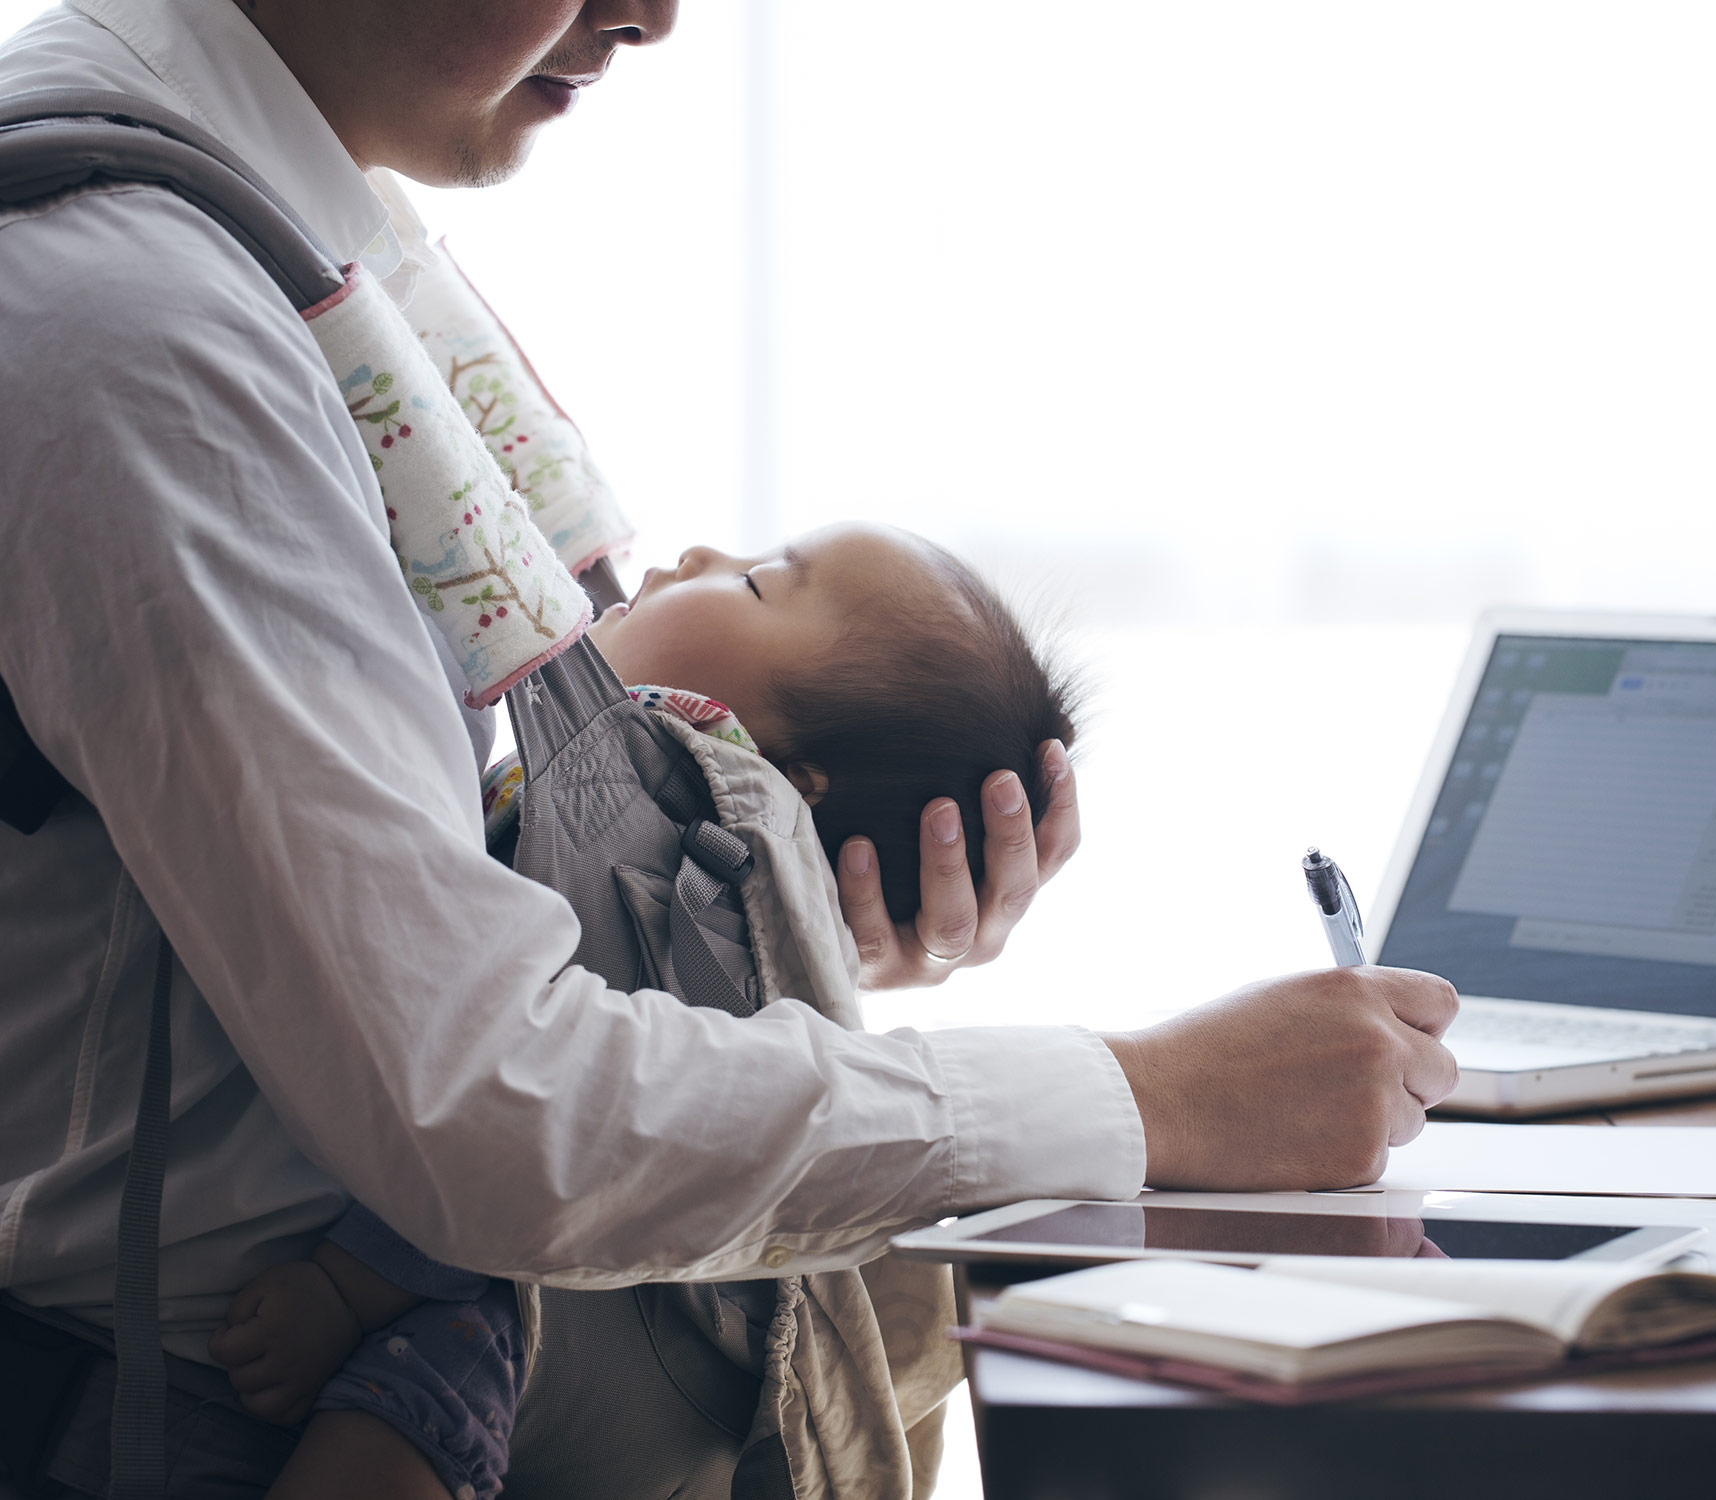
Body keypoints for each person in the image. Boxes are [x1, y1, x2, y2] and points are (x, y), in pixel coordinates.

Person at [0, 1, 1458, 1492]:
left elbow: (357, 927)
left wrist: (759, 941)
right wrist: (1149, 1099)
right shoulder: (150, 325)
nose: (654, 14)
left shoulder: (286, 221)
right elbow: (483, 1113)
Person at [210, 521, 1082, 1499]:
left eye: (760, 585)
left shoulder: (691, 865)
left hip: (511, 1297)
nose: (697, 556)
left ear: (789, 779)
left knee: (413, 1406)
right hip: (510, 1233)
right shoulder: (614, 805)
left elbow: (519, 1092)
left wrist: (345, 1285)